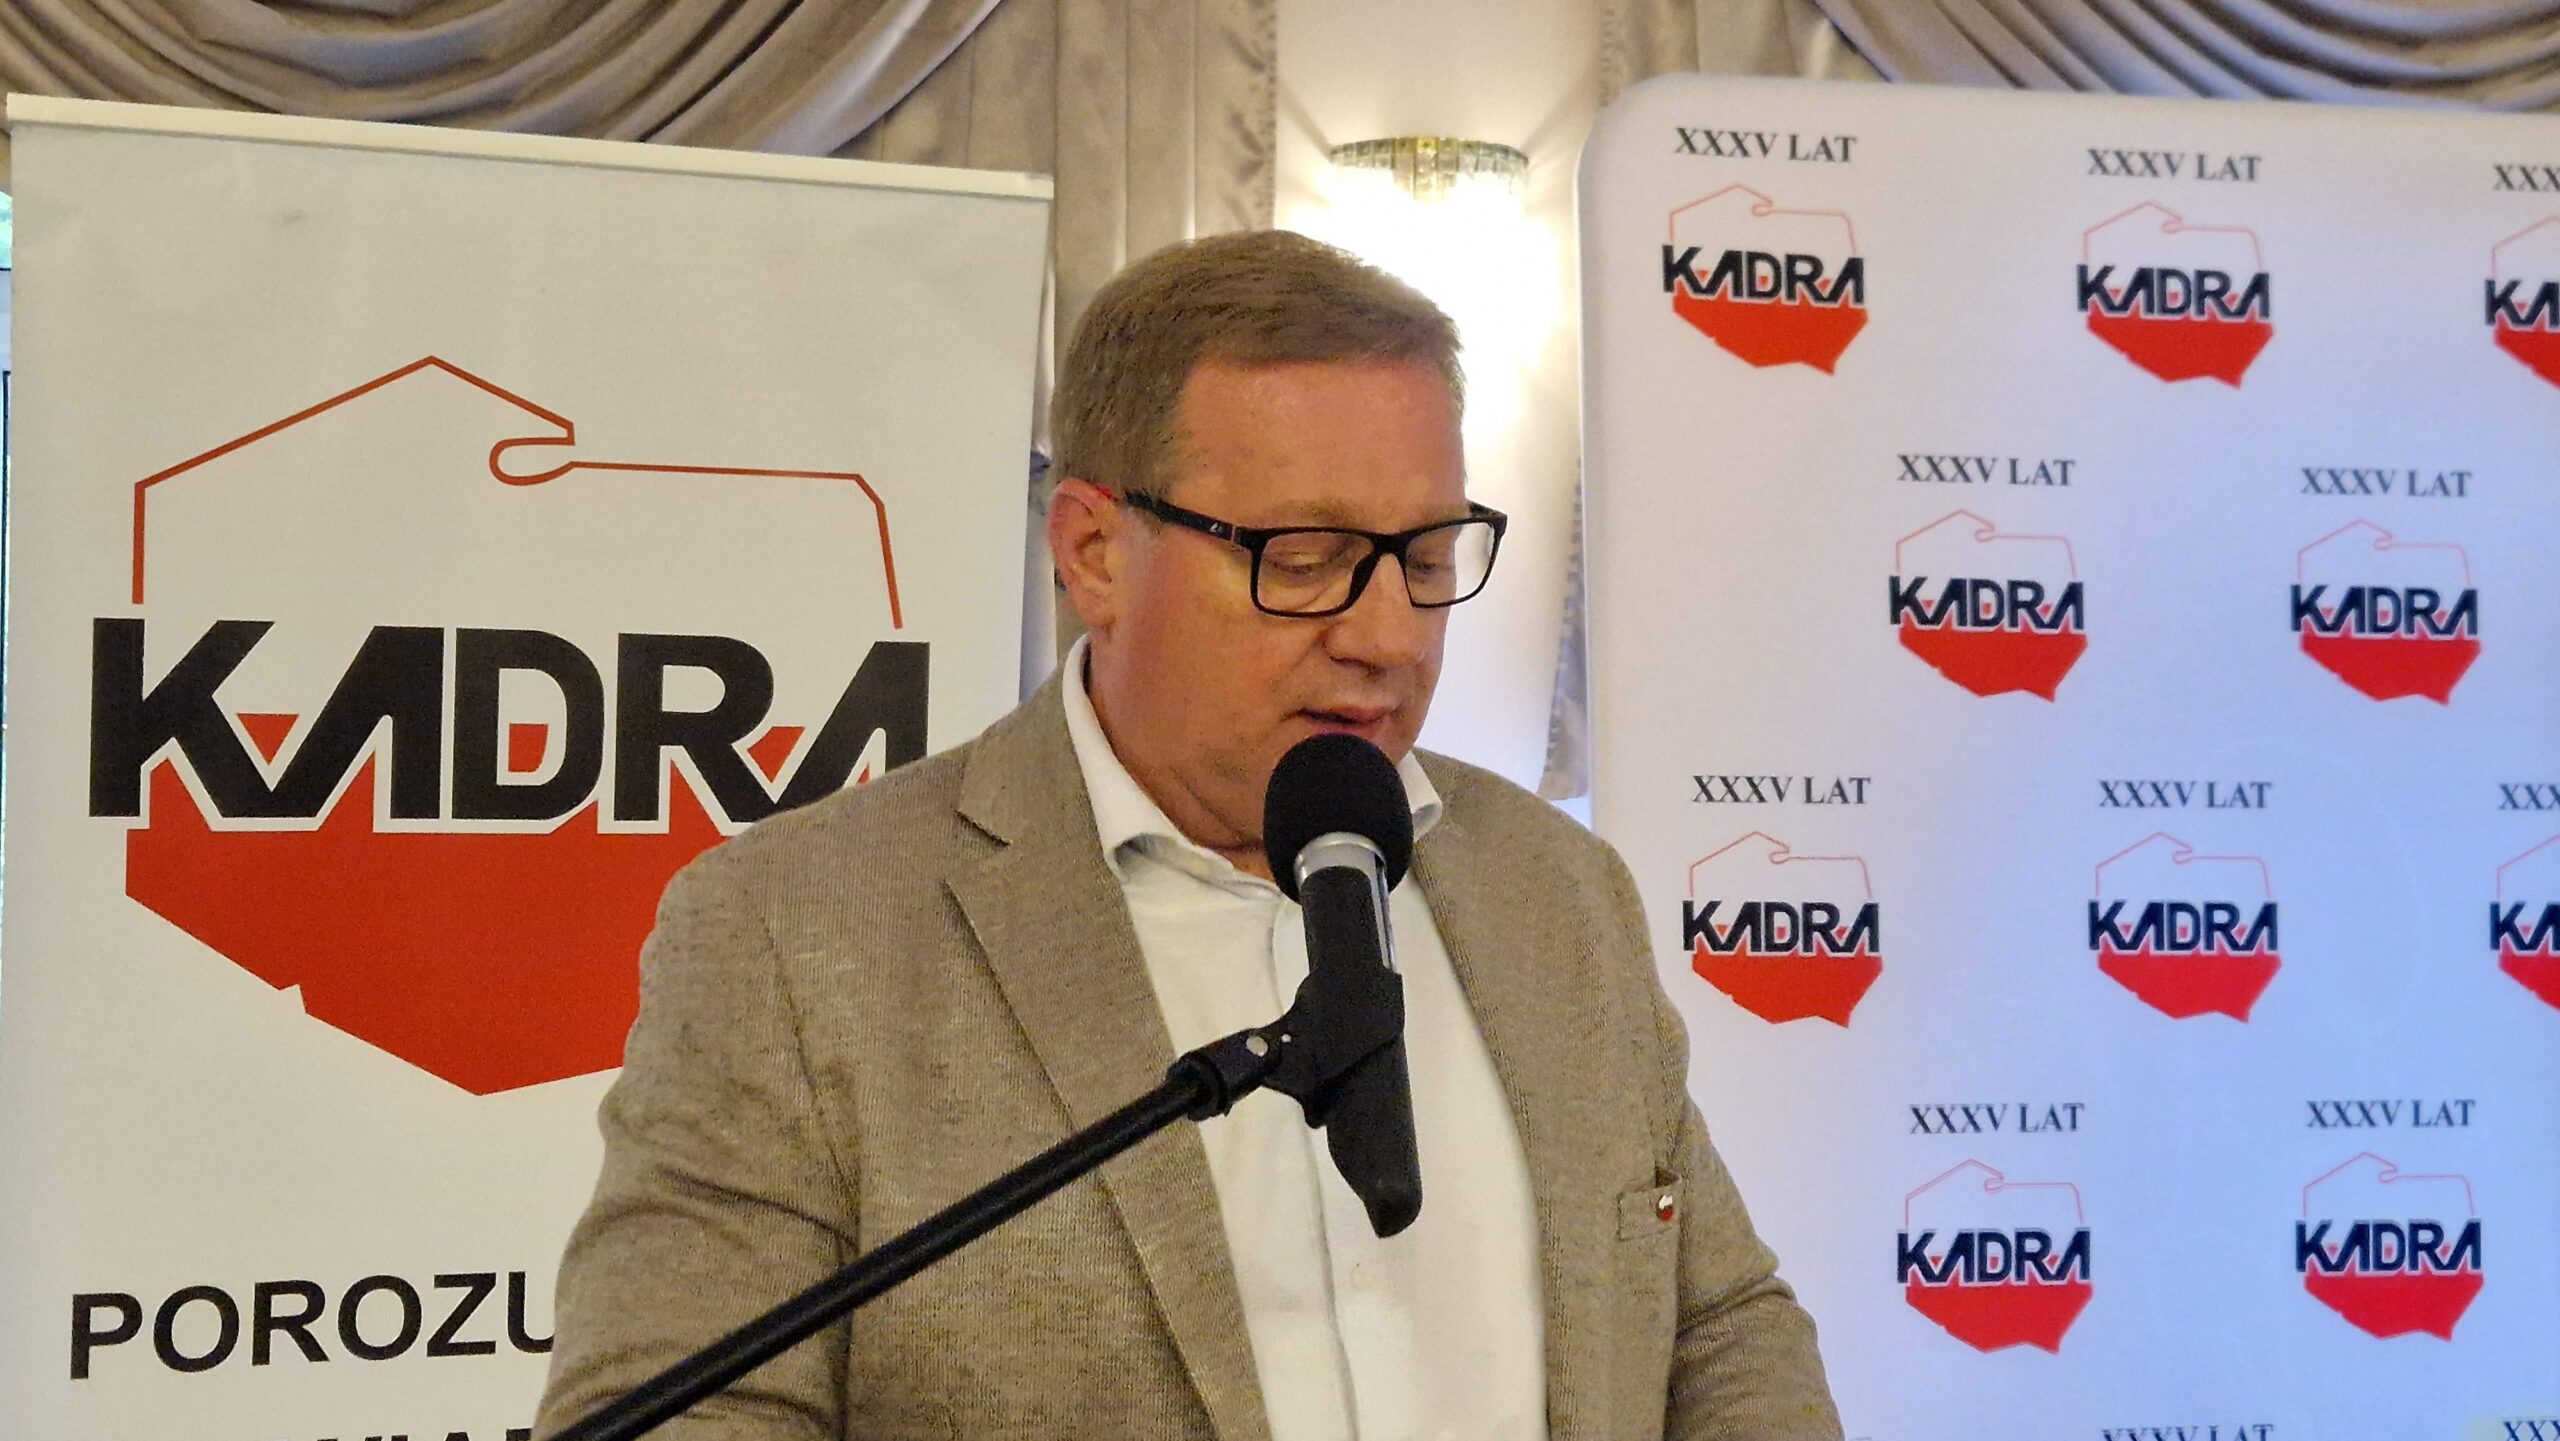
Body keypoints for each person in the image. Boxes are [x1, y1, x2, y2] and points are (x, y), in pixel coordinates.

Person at [535, 230, 1841, 1440]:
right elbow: (677, 1413)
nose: (1389, 635)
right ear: (1096, 551)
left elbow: (1714, 1321)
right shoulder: (795, 932)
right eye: (1306, 557)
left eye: (1429, 556)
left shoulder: (1557, 887)